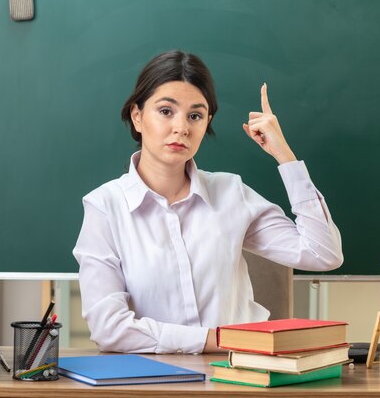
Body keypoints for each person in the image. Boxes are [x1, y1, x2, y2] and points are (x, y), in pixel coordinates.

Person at [72, 50, 343, 354]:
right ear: (137, 116)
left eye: (195, 115)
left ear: (207, 122)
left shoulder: (230, 193)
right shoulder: (105, 207)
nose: (181, 128)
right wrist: (214, 340)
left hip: (240, 376)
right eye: (165, 111)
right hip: (153, 380)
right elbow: (109, 329)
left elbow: (324, 255)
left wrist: (285, 156)